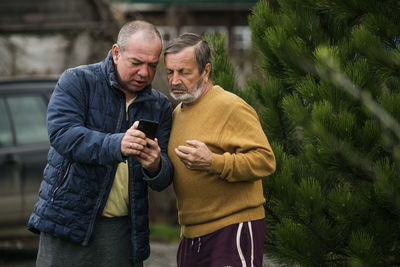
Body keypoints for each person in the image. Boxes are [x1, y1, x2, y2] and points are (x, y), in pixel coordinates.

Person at [28, 20, 174, 267]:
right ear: (116, 52)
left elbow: (164, 178)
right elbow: (63, 135)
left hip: (122, 230)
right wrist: (117, 145)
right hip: (67, 220)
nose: (145, 73)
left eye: (152, 65)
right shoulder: (77, 80)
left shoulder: (160, 105)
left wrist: (156, 166)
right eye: (136, 63)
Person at [164, 33, 276, 267]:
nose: (174, 80)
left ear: (206, 71)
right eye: (170, 72)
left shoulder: (230, 106)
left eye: (184, 72)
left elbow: (265, 160)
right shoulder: (177, 113)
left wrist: (214, 162)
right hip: (191, 235)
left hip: (232, 229)